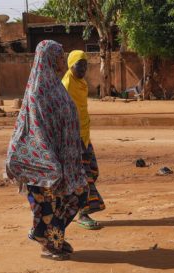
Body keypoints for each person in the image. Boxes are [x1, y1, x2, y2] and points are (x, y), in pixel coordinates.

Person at [6, 40, 88, 261]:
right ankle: (49, 244)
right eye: (60, 57)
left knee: (77, 196)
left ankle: (54, 237)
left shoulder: (55, 85)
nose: (63, 61)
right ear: (49, 59)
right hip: (43, 165)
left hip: (66, 161)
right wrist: (51, 164)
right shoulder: (37, 92)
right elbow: (36, 132)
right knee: (48, 206)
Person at [62, 50, 106, 230]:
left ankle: (70, 208)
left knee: (93, 171)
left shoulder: (82, 84)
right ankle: (83, 213)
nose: (83, 69)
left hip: (84, 137)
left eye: (85, 65)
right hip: (73, 139)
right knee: (85, 177)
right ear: (70, 65)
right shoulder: (65, 85)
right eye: (79, 65)